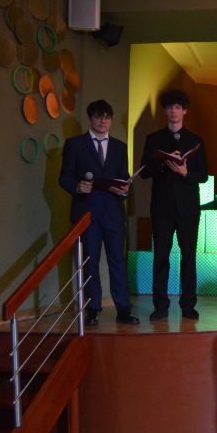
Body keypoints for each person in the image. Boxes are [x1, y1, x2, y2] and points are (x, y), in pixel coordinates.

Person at [58, 99, 139, 326]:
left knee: (118, 262)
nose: (103, 121)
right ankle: (92, 309)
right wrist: (77, 186)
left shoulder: (120, 147)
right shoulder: (75, 144)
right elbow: (64, 178)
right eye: (98, 117)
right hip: (87, 213)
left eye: (107, 117)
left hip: (113, 213)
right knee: (89, 262)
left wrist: (125, 190)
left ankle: (123, 309)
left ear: (111, 120)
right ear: (90, 119)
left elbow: (124, 177)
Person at [139, 89, 208, 321]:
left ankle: (188, 305)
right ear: (165, 111)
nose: (173, 111)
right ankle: (160, 306)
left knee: (189, 257)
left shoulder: (196, 140)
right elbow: (144, 172)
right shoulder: (154, 139)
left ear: (184, 111)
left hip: (188, 208)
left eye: (177, 107)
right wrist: (163, 163)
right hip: (162, 208)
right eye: (169, 107)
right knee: (161, 256)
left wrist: (185, 172)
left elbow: (203, 175)